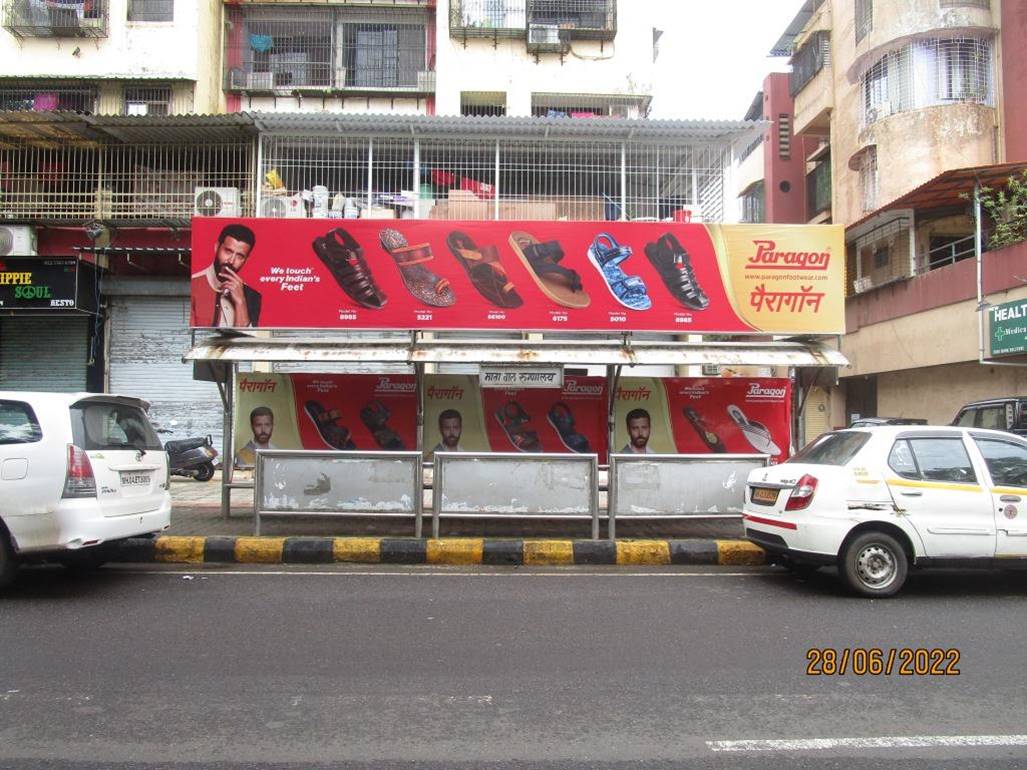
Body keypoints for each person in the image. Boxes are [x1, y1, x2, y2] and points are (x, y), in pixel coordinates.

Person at [191, 223, 262, 328]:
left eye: (240, 256)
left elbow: (246, 340)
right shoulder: (194, 285)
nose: (231, 261)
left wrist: (240, 302)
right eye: (228, 251)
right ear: (217, 247)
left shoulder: (253, 296)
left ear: (246, 261)